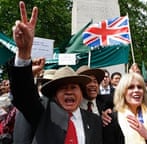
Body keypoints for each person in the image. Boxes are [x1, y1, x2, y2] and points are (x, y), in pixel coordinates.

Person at [7, 1, 102, 143]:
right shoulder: (43, 112)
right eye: (63, 88)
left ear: (81, 92)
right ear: (55, 95)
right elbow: (23, 95)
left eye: (73, 87)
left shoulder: (94, 121)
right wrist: (24, 52)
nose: (69, 92)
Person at [103, 72, 147, 144]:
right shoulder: (112, 118)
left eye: (139, 87)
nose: (136, 90)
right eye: (130, 87)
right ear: (122, 92)